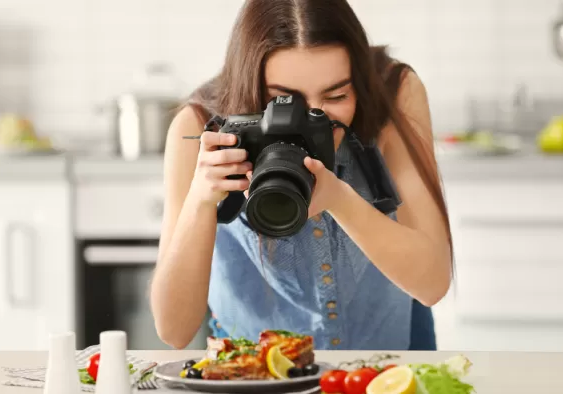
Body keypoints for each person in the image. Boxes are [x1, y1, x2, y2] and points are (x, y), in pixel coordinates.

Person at [150, 0, 453, 351]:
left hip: (382, 373)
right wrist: (201, 201)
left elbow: (433, 283)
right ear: (252, 88)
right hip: (257, 377)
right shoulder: (200, 124)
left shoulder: (392, 93)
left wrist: (340, 199)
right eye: (284, 101)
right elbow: (174, 331)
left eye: (337, 94)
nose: (317, 119)